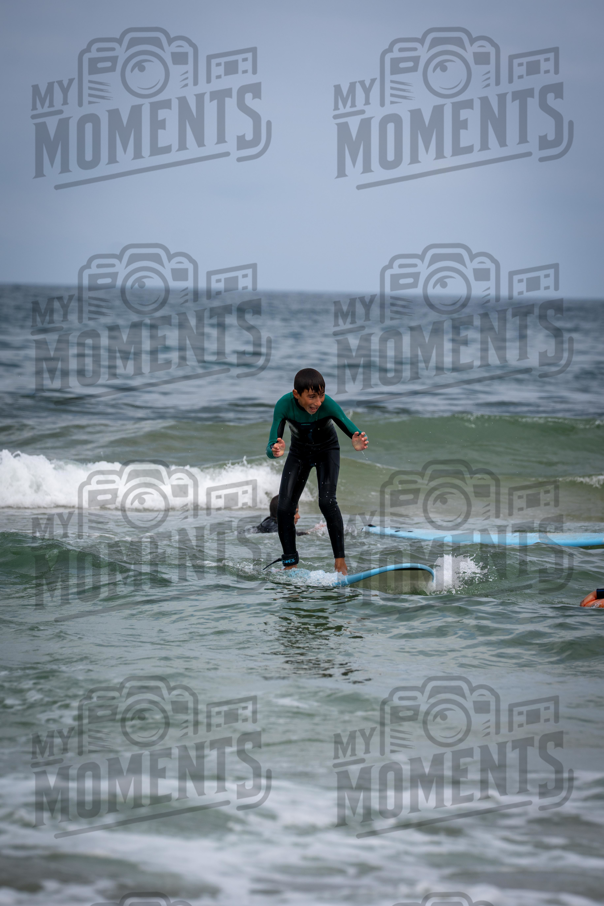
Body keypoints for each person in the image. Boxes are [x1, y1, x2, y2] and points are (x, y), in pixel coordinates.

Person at [266, 367, 368, 574]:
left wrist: (355, 440)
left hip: (326, 451)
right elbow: (270, 446)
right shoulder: (284, 405)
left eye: (320, 395)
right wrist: (274, 450)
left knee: (327, 501)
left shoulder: (327, 404)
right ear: (297, 394)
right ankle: (290, 564)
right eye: (312, 396)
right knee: (284, 508)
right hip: (299, 453)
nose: (318, 402)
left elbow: (349, 426)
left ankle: (340, 563)